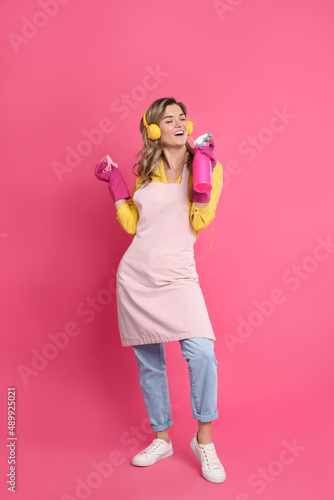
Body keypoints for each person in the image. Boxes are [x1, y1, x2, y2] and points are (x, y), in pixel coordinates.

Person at [94, 97, 226, 484]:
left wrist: (202, 182)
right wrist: (117, 186)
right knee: (151, 364)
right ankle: (162, 437)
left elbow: (201, 219)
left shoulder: (206, 164)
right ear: (154, 129)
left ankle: (204, 442)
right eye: (168, 120)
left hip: (179, 276)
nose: (179, 123)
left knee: (202, 353)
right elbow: (135, 224)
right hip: (137, 276)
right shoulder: (147, 170)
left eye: (182, 117)